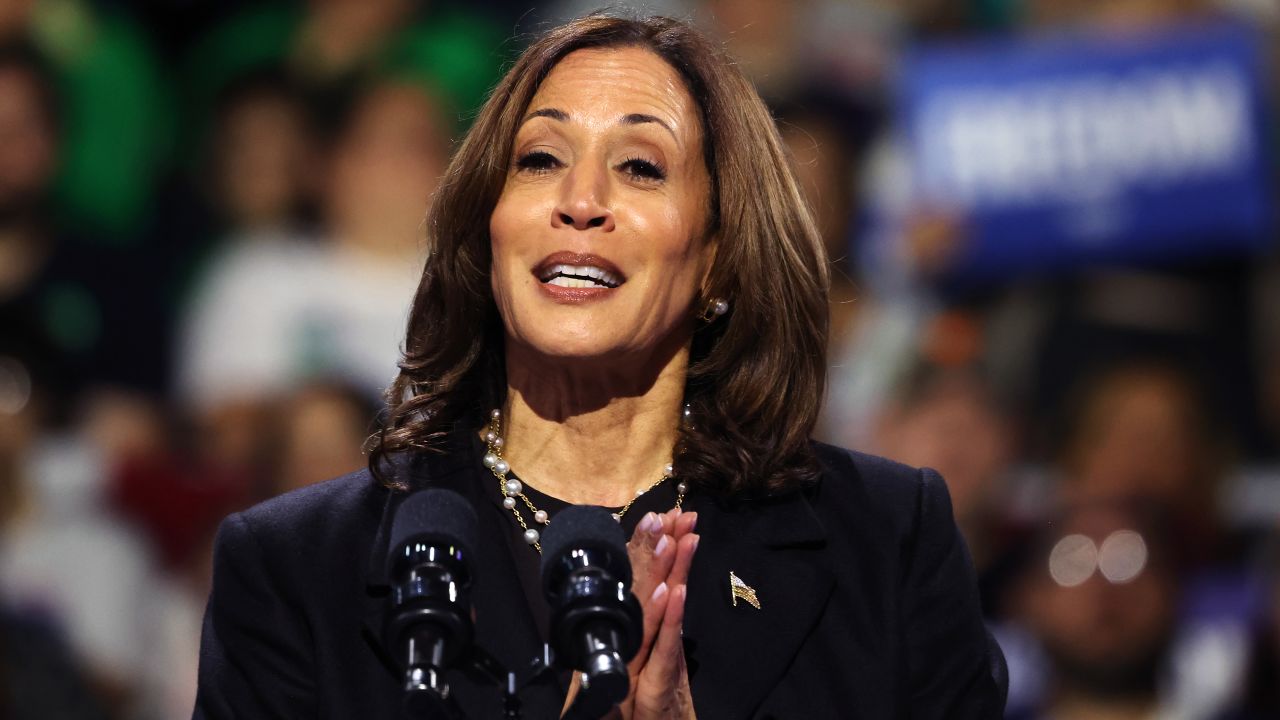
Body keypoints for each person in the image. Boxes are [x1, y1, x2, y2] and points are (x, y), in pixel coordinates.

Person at [194, 14, 1006, 719]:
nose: (580, 200)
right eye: (540, 159)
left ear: (722, 261)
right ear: (489, 229)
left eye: (641, 167)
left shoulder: (886, 540)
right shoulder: (294, 569)